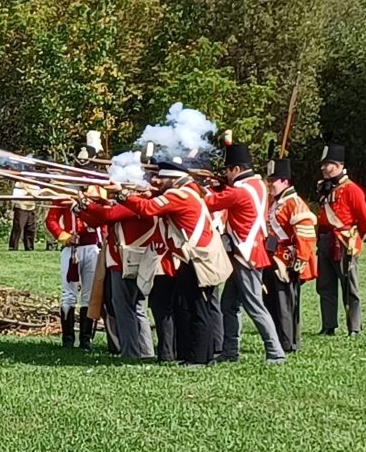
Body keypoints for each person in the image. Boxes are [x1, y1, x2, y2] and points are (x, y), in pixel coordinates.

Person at [113, 161, 231, 367]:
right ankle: (198, 354)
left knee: (198, 309)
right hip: (190, 257)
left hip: (197, 258)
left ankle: (200, 358)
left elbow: (148, 209)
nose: (159, 181)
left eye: (163, 179)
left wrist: (121, 194)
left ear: (173, 179)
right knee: (191, 307)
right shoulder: (189, 192)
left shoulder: (178, 195)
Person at [205, 144, 286, 364]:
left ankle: (275, 352)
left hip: (245, 252)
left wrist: (205, 188)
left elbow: (210, 203)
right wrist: (222, 185)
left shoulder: (240, 190)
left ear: (236, 169)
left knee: (254, 305)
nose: (226, 174)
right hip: (246, 251)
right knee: (229, 305)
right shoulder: (256, 184)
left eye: (228, 170)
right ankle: (230, 352)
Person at [79, 198, 158, 361]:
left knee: (124, 309)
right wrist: (78, 208)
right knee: (136, 308)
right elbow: (99, 220)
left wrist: (86, 204)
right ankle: (145, 351)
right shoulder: (138, 202)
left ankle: (131, 353)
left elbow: (108, 215)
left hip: (124, 263)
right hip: (128, 261)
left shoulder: (136, 203)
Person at [316, 144, 366, 337]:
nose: (324, 168)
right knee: (325, 286)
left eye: (328, 164)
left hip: (342, 242)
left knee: (349, 287)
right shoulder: (325, 188)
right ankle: (328, 325)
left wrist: (355, 237)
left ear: (339, 165)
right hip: (324, 240)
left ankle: (354, 327)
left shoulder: (351, 190)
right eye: (323, 165)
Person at [265, 158, 318, 353]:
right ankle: (280, 338)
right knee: (273, 301)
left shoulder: (294, 203)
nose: (271, 184)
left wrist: (301, 260)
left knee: (285, 303)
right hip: (274, 255)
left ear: (285, 182)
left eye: (275, 181)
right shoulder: (276, 202)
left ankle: (288, 342)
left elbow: (305, 236)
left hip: (287, 259)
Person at [46, 197, 102, 351]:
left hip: (92, 247)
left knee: (89, 295)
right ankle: (68, 339)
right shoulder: (63, 195)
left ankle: (86, 339)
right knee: (68, 294)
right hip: (71, 249)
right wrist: (64, 237)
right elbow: (51, 220)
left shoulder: (95, 193)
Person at [8, 181, 37, 251]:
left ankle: (29, 247)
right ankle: (13, 247)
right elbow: (16, 197)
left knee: (30, 229)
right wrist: (26, 192)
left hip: (31, 208)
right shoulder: (19, 184)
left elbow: (37, 194)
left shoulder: (35, 184)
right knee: (18, 228)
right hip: (21, 208)